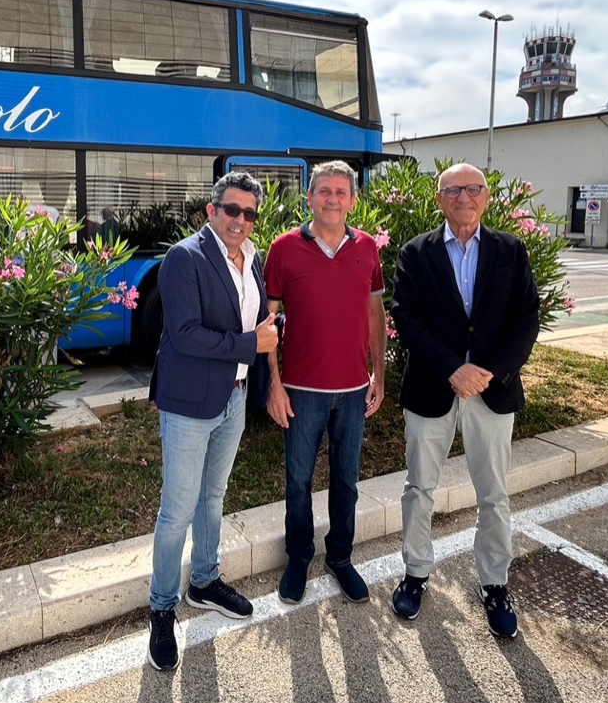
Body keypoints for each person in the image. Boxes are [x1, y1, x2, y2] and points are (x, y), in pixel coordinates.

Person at [389, 162, 540, 638]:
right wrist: (452, 368)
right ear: (440, 199)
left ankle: (494, 583)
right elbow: (406, 319)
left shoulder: (511, 251)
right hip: (433, 387)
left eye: (473, 189)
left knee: (493, 494)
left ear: (487, 197)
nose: (463, 197)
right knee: (419, 489)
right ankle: (416, 573)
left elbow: (526, 320)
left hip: (492, 392)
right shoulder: (416, 253)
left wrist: (488, 371)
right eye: (453, 190)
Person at [145, 171, 280, 672]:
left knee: (213, 497)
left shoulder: (254, 258)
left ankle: (204, 580)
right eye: (231, 210)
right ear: (211, 210)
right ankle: (161, 609)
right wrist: (252, 345)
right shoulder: (186, 257)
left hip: (235, 396)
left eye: (249, 213)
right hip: (188, 402)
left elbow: (253, 324)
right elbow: (184, 335)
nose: (240, 220)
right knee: (177, 510)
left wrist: (266, 341)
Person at [263, 160, 386, 605]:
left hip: (353, 390)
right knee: (298, 481)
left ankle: (340, 556)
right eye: (324, 191)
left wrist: (379, 374)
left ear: (353, 200)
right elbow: (267, 323)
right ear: (309, 196)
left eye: (341, 192)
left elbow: (375, 314)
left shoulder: (368, 248)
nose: (332, 199)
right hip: (300, 389)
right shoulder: (284, 249)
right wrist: (273, 385)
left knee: (346, 480)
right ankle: (299, 557)